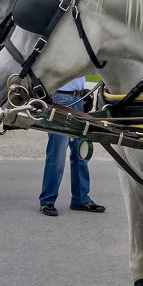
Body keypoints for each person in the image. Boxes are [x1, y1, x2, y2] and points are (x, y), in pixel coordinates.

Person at [39, 78, 105, 216]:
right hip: (61, 97)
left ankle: (80, 199)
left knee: (81, 152)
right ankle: (47, 201)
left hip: (79, 97)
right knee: (57, 154)